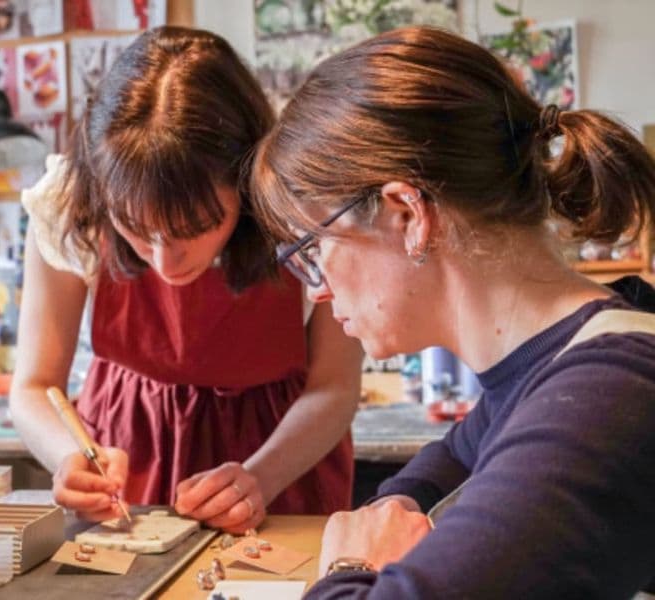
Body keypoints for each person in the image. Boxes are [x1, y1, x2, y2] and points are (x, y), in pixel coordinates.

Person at [251, 25, 655, 598]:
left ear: (407, 215)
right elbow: (432, 476)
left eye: (314, 248)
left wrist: (348, 570)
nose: (316, 288)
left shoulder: (610, 393)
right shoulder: (541, 372)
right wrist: (383, 524)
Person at [9, 26, 362, 535]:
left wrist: (260, 477)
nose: (163, 261)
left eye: (193, 228)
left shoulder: (305, 207)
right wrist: (68, 456)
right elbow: (35, 385)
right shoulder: (72, 205)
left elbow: (335, 387)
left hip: (281, 455)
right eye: (133, 226)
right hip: (129, 446)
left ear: (245, 180)